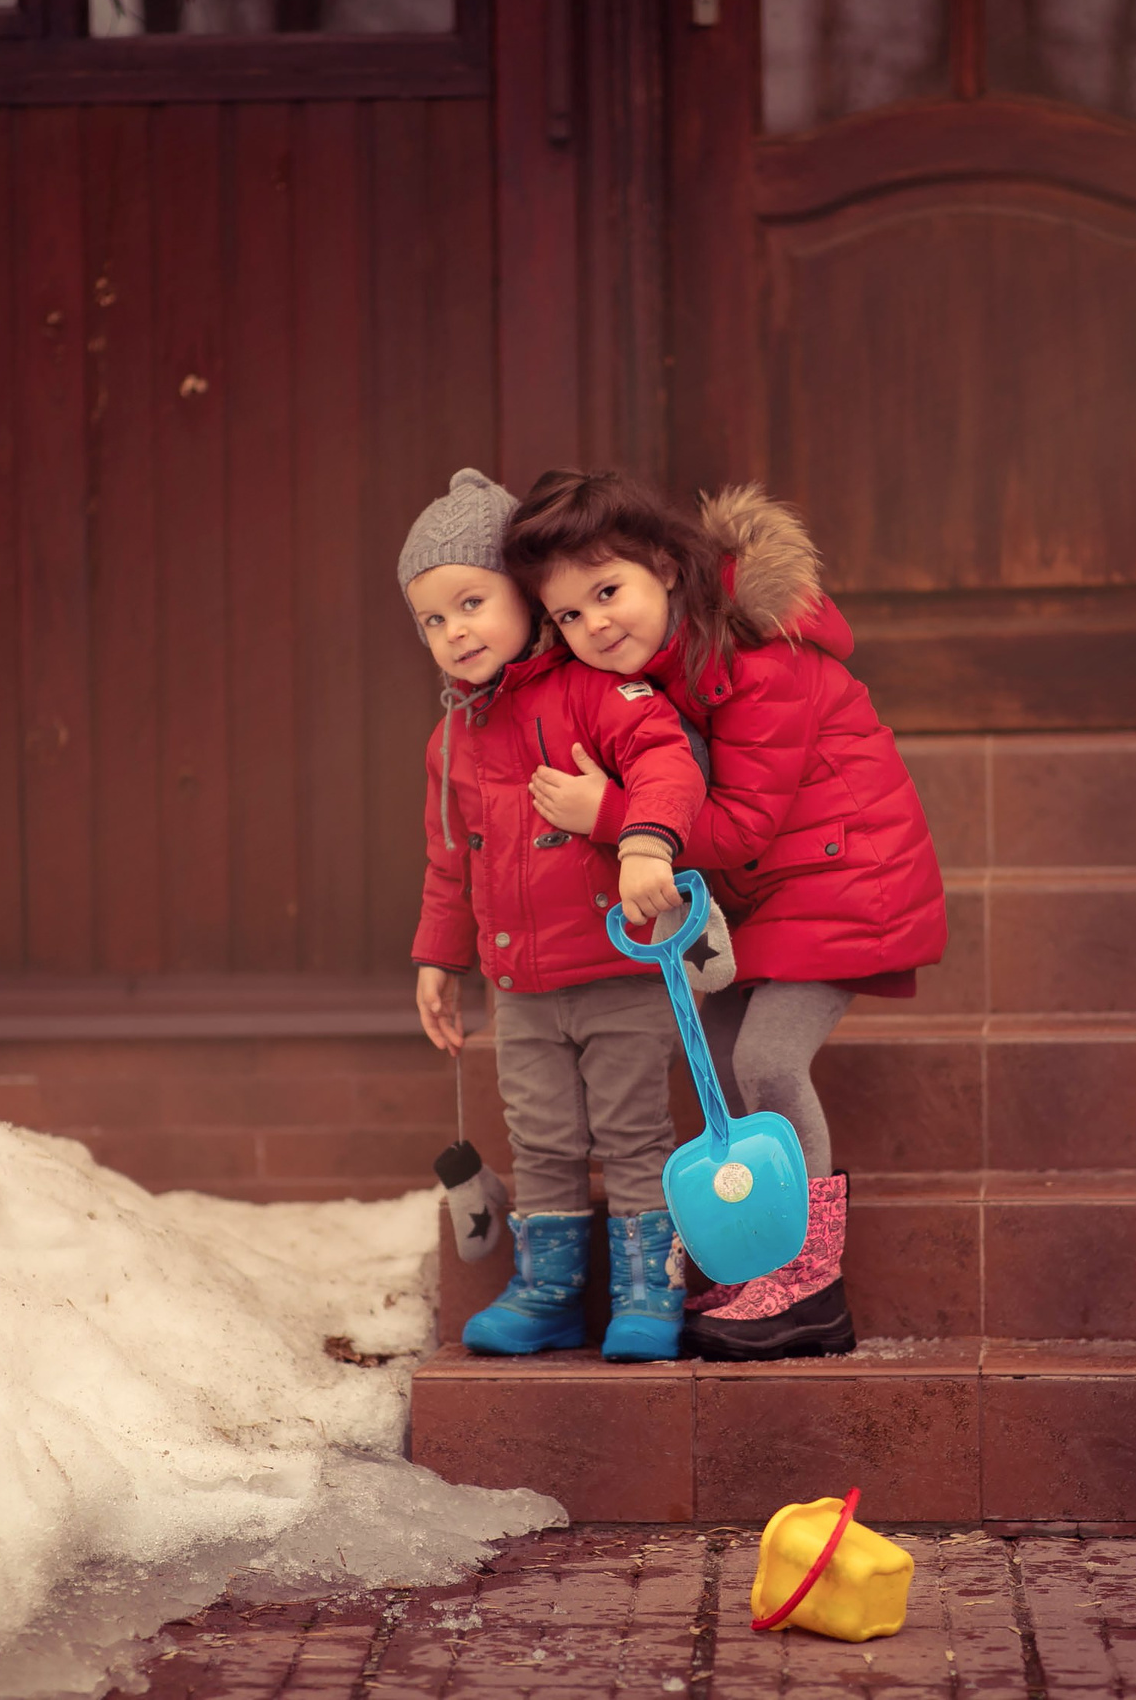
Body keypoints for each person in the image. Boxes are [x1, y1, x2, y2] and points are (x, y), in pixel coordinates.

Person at [503, 472, 945, 1361]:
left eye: (608, 591)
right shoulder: (663, 669)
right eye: (569, 616)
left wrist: (609, 816)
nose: (595, 624)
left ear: (667, 568)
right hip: (776, 887)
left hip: (844, 875)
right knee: (719, 1047)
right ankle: (764, 1256)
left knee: (767, 1058)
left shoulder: (756, 661)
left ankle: (810, 1285)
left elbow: (742, 825)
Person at [401, 468, 705, 1363]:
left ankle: (651, 1289)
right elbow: (450, 859)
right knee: (541, 1139)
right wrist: (438, 958)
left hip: (618, 972)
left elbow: (666, 764)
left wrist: (645, 842)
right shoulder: (451, 739)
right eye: (431, 619)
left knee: (632, 1132)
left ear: (528, 598)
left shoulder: (591, 691)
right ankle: (548, 1290)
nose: (454, 630)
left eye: (471, 602)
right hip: (520, 991)